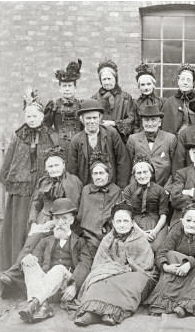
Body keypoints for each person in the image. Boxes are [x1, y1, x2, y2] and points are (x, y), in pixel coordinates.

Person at [0, 89, 59, 271]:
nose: (32, 119)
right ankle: (14, 268)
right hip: (22, 191)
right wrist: (14, 182)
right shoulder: (18, 136)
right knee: (18, 228)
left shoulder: (50, 135)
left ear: (42, 117)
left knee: (37, 227)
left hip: (42, 188)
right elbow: (8, 164)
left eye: (35, 116)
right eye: (28, 116)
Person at [75, 201, 157, 326]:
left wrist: (125, 269)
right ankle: (91, 312)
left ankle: (114, 313)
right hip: (113, 273)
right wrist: (114, 269)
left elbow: (146, 265)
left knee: (130, 281)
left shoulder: (140, 239)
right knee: (99, 279)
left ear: (132, 223)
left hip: (138, 274)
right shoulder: (108, 239)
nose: (122, 225)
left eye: (125, 221)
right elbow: (99, 263)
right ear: (113, 223)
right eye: (118, 221)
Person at [18, 198, 92, 323]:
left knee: (58, 268)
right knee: (28, 263)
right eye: (57, 218)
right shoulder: (46, 240)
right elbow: (35, 259)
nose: (60, 223)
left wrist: (74, 285)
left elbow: (85, 264)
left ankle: (34, 303)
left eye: (64, 219)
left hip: (66, 285)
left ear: (71, 220)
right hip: (48, 285)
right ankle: (43, 305)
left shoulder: (80, 242)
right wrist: (28, 258)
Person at [145, 203, 195, 318]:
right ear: (182, 221)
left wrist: (189, 264)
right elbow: (161, 252)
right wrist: (166, 267)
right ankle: (171, 302)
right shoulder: (176, 230)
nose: (191, 224)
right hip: (177, 271)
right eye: (188, 220)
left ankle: (187, 305)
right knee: (171, 255)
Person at [68, 99, 131, 188]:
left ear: (100, 118)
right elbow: (72, 170)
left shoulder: (111, 134)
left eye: (95, 118)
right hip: (87, 188)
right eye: (88, 118)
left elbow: (123, 161)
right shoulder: (76, 140)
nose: (92, 121)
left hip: (110, 186)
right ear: (82, 119)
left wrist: (120, 187)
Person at [77, 152, 122, 256]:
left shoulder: (115, 190)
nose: (98, 177)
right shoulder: (86, 190)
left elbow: (116, 216)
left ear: (108, 174)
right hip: (87, 235)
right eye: (95, 174)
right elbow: (81, 216)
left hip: (108, 234)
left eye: (101, 173)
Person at [122, 156, 169, 252]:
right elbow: (127, 215)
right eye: (139, 173)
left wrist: (155, 232)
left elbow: (163, 215)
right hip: (134, 224)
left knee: (156, 247)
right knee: (135, 247)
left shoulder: (160, 190)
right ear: (134, 175)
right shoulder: (128, 190)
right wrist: (142, 233)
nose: (142, 176)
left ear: (151, 174)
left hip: (156, 223)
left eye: (145, 172)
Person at [28, 146, 82, 227]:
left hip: (64, 221)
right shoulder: (43, 182)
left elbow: (74, 208)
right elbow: (36, 202)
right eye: (50, 166)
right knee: (32, 239)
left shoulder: (73, 181)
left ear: (63, 165)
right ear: (46, 168)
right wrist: (33, 221)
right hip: (43, 220)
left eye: (56, 165)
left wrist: (54, 222)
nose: (54, 169)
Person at [126, 104, 177, 188]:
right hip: (139, 186)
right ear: (142, 122)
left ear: (159, 122)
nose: (150, 123)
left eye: (153, 120)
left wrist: (168, 189)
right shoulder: (133, 139)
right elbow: (129, 166)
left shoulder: (170, 139)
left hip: (163, 186)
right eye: (146, 120)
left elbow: (174, 168)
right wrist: (132, 188)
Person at [43, 59, 83, 157]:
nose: (67, 89)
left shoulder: (81, 105)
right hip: (59, 146)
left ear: (75, 88)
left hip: (79, 145)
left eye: (70, 86)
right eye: (64, 86)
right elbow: (46, 126)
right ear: (60, 88)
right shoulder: (53, 105)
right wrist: (54, 138)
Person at [91, 59, 135, 143]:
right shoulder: (94, 99)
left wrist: (114, 123)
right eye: (104, 79)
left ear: (115, 78)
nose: (107, 82)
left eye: (109, 78)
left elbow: (131, 120)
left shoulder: (125, 98)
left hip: (120, 141)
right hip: (100, 140)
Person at [161, 63, 195, 135]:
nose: (185, 83)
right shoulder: (170, 102)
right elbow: (165, 129)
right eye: (182, 79)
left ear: (193, 83)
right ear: (178, 81)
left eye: (188, 80)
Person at [133, 62, 164, 132]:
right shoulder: (135, 103)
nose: (146, 87)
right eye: (143, 85)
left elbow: (163, 123)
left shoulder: (161, 102)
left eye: (148, 84)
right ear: (139, 87)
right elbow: (135, 124)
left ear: (153, 85)